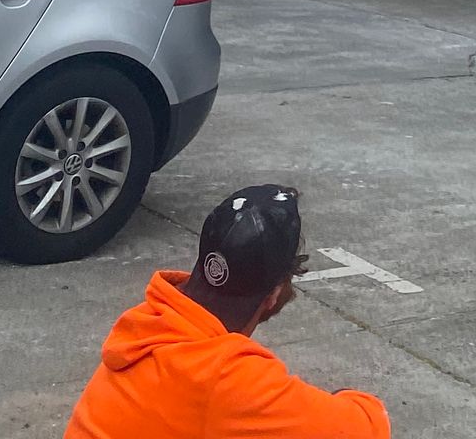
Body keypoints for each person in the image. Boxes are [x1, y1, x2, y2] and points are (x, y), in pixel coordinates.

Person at [62, 184, 391, 439]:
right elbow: (367, 428)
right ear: (273, 295)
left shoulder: (150, 321)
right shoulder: (224, 377)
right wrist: (340, 398)